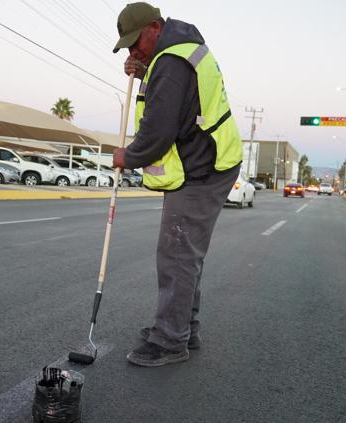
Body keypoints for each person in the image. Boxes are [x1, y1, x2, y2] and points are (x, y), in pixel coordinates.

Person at [110, 2, 243, 367]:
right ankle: (183, 326)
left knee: (177, 252)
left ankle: (170, 340)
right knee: (184, 251)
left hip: (203, 168)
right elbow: (178, 99)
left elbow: (159, 130)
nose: (133, 50)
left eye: (136, 42)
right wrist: (143, 71)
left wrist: (128, 156)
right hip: (207, 162)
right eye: (128, 47)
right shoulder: (177, 50)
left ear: (155, 27)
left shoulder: (170, 62)